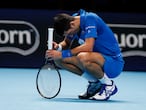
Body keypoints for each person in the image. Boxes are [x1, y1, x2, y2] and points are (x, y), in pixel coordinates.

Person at [46, 9, 125, 101]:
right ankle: (95, 83)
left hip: (113, 64)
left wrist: (62, 53)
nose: (70, 35)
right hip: (96, 60)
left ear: (72, 24)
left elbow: (88, 47)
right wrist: (58, 47)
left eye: (69, 33)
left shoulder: (90, 19)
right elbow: (66, 43)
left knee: (82, 56)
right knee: (59, 60)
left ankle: (109, 85)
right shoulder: (73, 21)